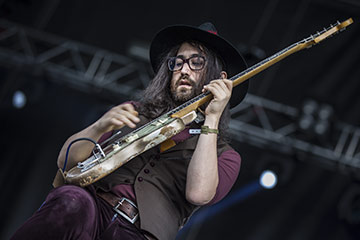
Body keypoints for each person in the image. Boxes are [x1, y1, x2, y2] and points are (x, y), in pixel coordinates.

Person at [11, 22, 248, 240]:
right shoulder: (135, 112)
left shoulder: (224, 155)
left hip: (139, 234)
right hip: (92, 208)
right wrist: (100, 126)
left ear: (220, 78)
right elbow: (65, 162)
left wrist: (212, 118)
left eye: (196, 63)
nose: (184, 70)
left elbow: (198, 194)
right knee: (72, 201)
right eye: (178, 62)